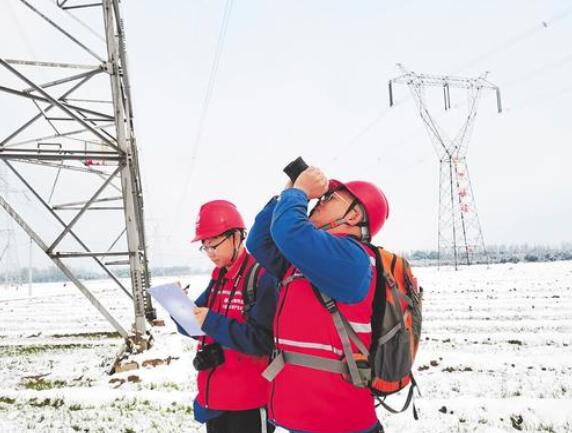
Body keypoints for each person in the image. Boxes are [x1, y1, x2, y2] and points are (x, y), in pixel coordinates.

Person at [246, 167, 390, 433]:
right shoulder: (304, 262)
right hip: (306, 419)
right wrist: (286, 194)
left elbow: (288, 232)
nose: (319, 201)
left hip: (339, 423)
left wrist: (300, 193)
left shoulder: (354, 259)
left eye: (329, 199)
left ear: (354, 215)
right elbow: (259, 241)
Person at [175, 200, 277, 433]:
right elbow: (193, 327)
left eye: (214, 245)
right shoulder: (219, 277)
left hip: (249, 405)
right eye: (205, 246)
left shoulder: (261, 276)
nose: (209, 253)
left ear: (236, 237)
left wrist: (211, 321)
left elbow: (262, 341)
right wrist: (179, 307)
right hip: (215, 402)